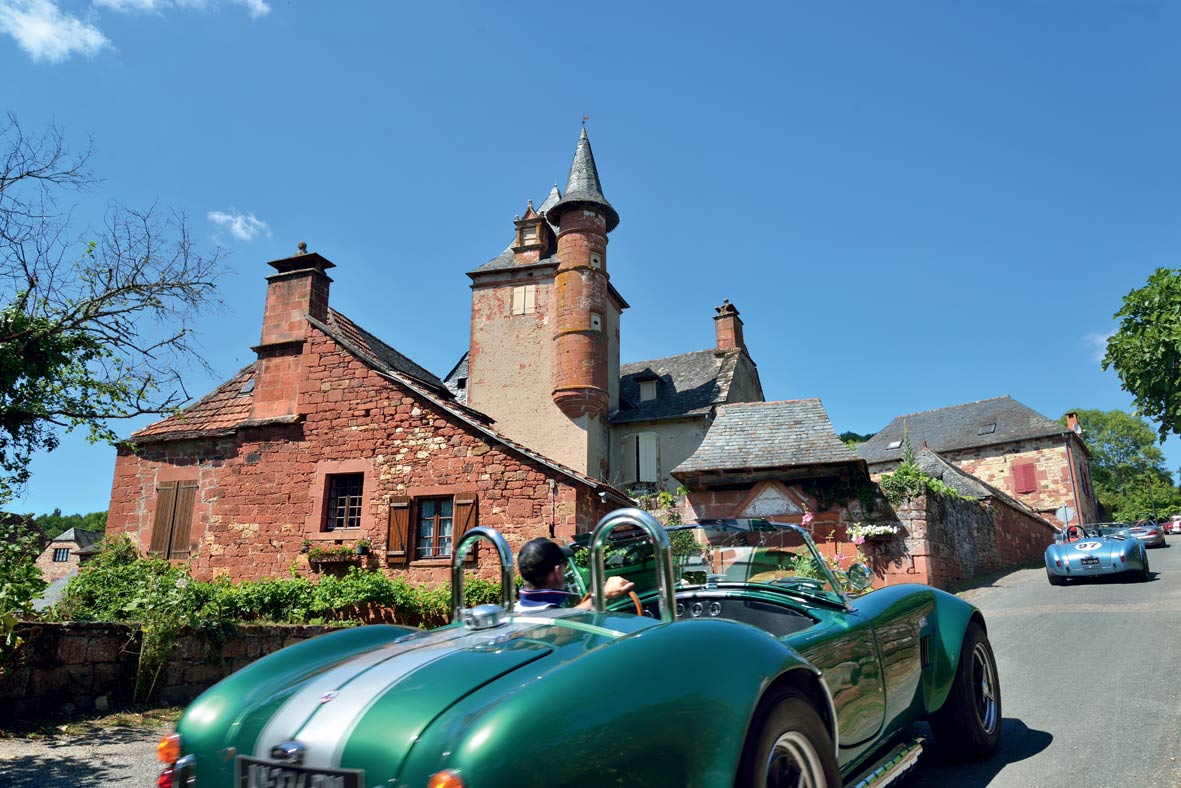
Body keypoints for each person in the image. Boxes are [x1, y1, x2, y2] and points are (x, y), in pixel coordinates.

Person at [514, 537, 635, 613]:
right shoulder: (556, 625)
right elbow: (567, 619)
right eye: (564, 565)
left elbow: (568, 614)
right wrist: (604, 594)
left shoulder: (515, 610)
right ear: (557, 572)